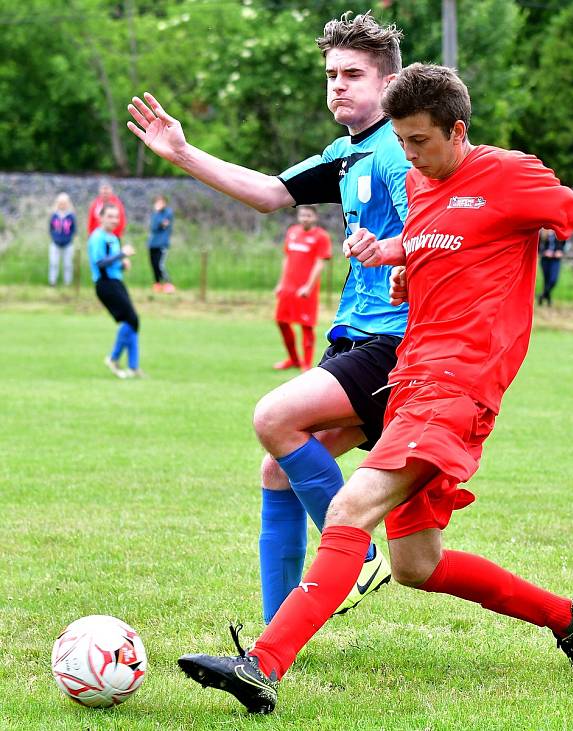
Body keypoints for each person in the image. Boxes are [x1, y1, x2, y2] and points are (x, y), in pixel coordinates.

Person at [175, 63, 573, 715]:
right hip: (409, 374)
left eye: (419, 141)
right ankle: (571, 618)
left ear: (458, 129)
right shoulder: (421, 183)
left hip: (458, 384)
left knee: (349, 510)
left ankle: (263, 665)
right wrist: (399, 265)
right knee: (418, 563)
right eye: (401, 140)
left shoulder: (511, 174)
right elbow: (437, 250)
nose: (408, 155)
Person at [127, 12, 411, 622]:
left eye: (353, 74)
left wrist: (398, 252)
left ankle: (356, 554)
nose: (337, 85)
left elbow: (441, 226)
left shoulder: (397, 150)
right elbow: (270, 194)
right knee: (279, 468)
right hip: (354, 339)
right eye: (331, 73)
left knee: (274, 417)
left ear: (388, 84)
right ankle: (277, 633)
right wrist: (182, 154)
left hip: (394, 343)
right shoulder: (349, 153)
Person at [273, 206, 332, 371]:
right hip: (288, 287)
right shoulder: (292, 232)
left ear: (315, 217)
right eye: (302, 215)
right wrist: (281, 283)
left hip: (306, 289)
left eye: (308, 215)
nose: (305, 218)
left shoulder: (321, 237)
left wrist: (308, 286)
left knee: (306, 325)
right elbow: (287, 258)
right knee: (281, 322)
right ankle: (293, 359)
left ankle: (306, 364)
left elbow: (319, 264)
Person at [87, 205, 142, 379]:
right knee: (132, 319)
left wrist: (122, 264)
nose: (114, 220)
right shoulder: (97, 237)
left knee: (132, 321)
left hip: (116, 282)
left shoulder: (113, 238)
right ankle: (113, 358)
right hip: (105, 284)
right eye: (110, 216)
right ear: (101, 218)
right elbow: (100, 263)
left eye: (116, 217)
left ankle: (133, 368)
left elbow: (113, 262)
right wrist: (121, 255)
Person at [48, 193, 77, 286]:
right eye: (60, 203)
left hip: (68, 244)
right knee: (53, 263)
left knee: (68, 264)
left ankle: (67, 283)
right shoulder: (54, 215)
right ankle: (52, 282)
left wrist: (69, 238)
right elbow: (51, 228)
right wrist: (54, 237)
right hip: (55, 243)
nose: (62, 205)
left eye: (64, 203)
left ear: (68, 203)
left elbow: (74, 229)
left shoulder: (71, 216)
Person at [148, 194, 175, 293]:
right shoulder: (155, 214)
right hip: (152, 244)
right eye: (157, 202)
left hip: (162, 244)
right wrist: (157, 214)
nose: (159, 204)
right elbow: (154, 227)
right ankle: (157, 284)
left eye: (161, 202)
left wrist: (159, 213)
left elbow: (162, 224)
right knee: (153, 265)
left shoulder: (168, 213)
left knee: (160, 265)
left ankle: (168, 283)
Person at [537, 228, 565, 306]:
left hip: (555, 259)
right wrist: (544, 252)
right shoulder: (542, 233)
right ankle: (548, 301)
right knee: (546, 280)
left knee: (553, 280)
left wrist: (561, 251)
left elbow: (564, 244)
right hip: (545, 259)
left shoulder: (559, 231)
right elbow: (537, 247)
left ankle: (542, 295)